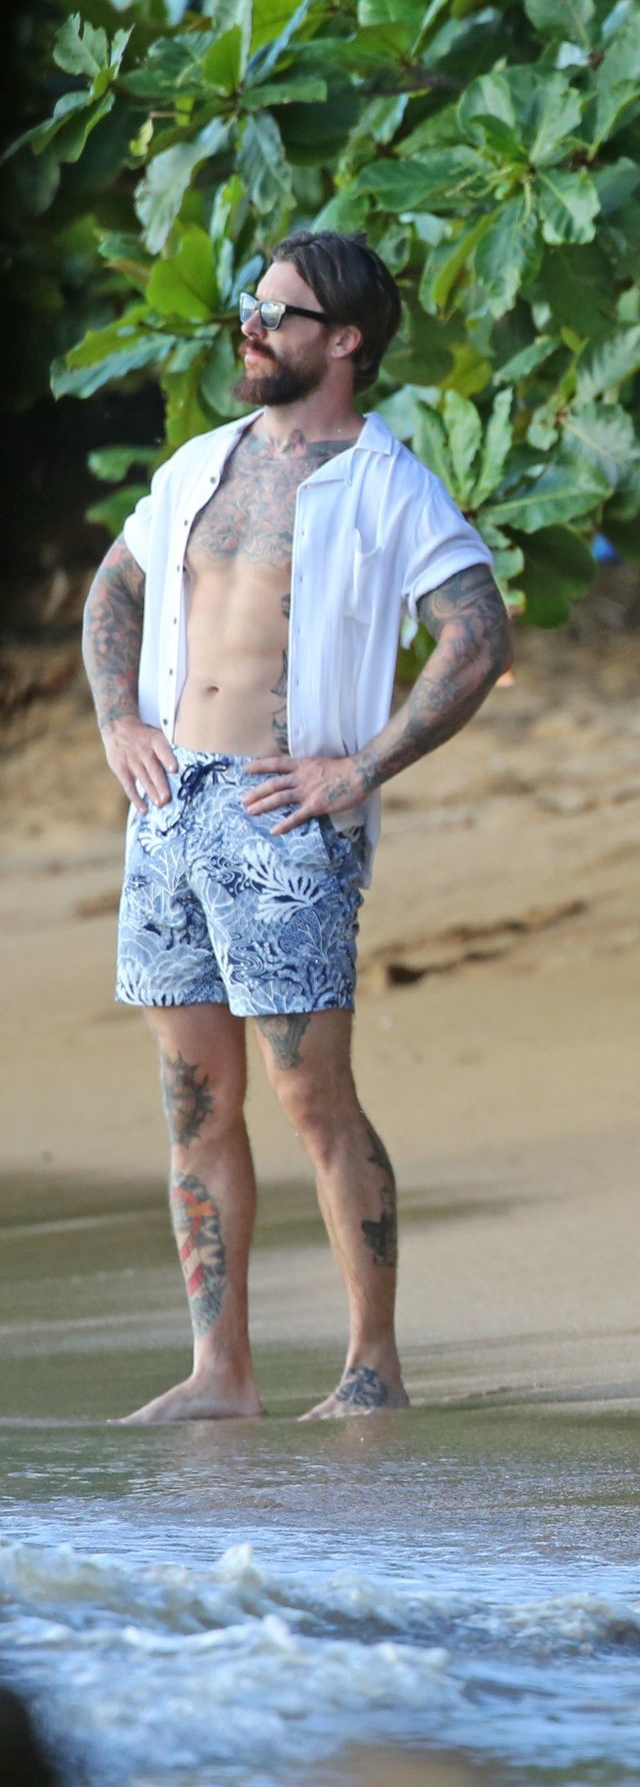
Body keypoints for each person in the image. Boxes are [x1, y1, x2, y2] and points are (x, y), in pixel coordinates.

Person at [81, 229, 511, 1423]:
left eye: (277, 312)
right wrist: (118, 719)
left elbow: (478, 636)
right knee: (193, 1104)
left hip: (284, 819)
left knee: (310, 1098)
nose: (251, 325)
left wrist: (359, 769)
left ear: (347, 340)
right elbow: (115, 585)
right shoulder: (200, 463)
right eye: (250, 304)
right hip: (168, 809)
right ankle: (220, 1372)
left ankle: (373, 1368)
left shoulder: (386, 483)